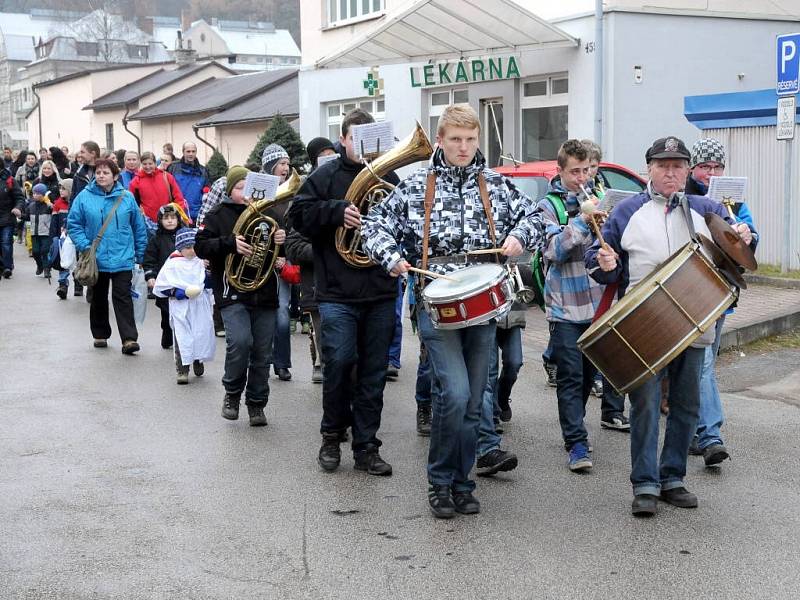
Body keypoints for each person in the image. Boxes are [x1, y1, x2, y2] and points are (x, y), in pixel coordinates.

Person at [361, 103, 544, 517]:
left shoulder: (494, 184)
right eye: (455, 139)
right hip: (437, 303)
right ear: (440, 141)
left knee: (475, 400)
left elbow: (538, 216)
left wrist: (519, 237)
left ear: (478, 141)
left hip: (483, 305)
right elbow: (374, 225)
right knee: (455, 393)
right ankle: (440, 482)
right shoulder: (415, 186)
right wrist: (391, 256)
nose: (463, 147)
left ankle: (463, 482)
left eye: (470, 140)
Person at [586, 136, 754, 517]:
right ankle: (645, 483)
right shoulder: (627, 211)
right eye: (663, 165)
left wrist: (745, 236)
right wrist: (604, 264)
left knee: (686, 404)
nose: (671, 172)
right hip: (643, 325)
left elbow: (740, 251)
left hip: (696, 322)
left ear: (686, 170)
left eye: (678, 166)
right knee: (644, 405)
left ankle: (673, 477)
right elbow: (597, 264)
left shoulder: (706, 209)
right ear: (649, 169)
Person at [289, 108, 398, 477]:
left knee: (373, 372)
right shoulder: (325, 175)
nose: (363, 145)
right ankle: (332, 436)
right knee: (339, 363)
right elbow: (298, 216)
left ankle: (367, 446)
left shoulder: (389, 176)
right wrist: (337, 212)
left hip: (380, 289)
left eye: (371, 137)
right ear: (345, 139)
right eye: (356, 138)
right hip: (336, 292)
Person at [538, 139, 611, 473]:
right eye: (575, 172)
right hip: (565, 306)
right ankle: (576, 443)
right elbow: (553, 250)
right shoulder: (548, 205)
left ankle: (576, 427)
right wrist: (584, 220)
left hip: (597, 305)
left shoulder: (600, 198)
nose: (582, 178)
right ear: (561, 171)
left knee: (587, 378)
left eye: (586, 170)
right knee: (569, 377)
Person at [685, 138, 758, 467]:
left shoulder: (733, 199)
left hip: (723, 290)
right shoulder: (684, 196)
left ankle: (694, 433)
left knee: (702, 366)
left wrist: (748, 235)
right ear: (694, 168)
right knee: (700, 367)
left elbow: (753, 235)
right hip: (690, 290)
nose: (711, 173)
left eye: (717, 167)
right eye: (705, 167)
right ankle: (710, 435)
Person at [195, 166, 286, 427]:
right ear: (229, 190)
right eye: (239, 187)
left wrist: (282, 239)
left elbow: (281, 252)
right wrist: (229, 243)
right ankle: (232, 394)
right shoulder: (217, 215)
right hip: (231, 291)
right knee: (241, 343)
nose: (245, 192)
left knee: (262, 352)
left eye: (249, 186)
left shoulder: (269, 213)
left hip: (264, 292)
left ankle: (257, 404)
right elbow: (201, 246)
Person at [67, 158, 148, 354]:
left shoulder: (127, 197)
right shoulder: (84, 197)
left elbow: (139, 227)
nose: (101, 176)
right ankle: (100, 333)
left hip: (123, 256)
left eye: (106, 172)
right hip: (96, 258)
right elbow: (74, 224)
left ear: (115, 176)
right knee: (99, 297)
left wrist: (140, 253)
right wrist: (85, 246)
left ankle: (129, 339)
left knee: (123, 297)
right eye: (98, 172)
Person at [154, 227, 215, 385]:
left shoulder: (201, 261)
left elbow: (209, 282)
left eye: (194, 247)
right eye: (188, 247)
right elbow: (163, 286)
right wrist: (179, 292)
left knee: (200, 334)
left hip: (199, 305)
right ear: (180, 247)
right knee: (182, 337)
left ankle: (198, 359)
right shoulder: (172, 263)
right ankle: (182, 368)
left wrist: (207, 275)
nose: (192, 251)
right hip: (181, 306)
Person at [260, 143, 294, 381]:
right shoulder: (260, 189)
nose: (286, 167)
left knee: (282, 313)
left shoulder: (293, 190)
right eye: (281, 163)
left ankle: (281, 362)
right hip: (261, 260)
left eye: (287, 163)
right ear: (271, 166)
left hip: (283, 260)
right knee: (262, 314)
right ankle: (263, 359)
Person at [144, 203, 189, 348]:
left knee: (184, 311)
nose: (170, 221)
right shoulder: (156, 240)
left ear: (178, 219)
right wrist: (150, 276)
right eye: (166, 218)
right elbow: (149, 259)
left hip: (183, 280)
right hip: (166, 282)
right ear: (160, 221)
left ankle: (183, 338)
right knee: (166, 312)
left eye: (172, 218)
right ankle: (167, 335)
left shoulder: (186, 237)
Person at [129, 151, 188, 230]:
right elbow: (132, 204)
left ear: (155, 163)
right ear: (141, 164)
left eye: (150, 164)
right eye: (145, 164)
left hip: (168, 221)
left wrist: (179, 215)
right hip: (148, 224)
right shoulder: (136, 182)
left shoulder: (167, 177)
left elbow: (178, 198)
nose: (147, 166)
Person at [168, 142, 209, 222]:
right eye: (188, 151)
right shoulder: (173, 168)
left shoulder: (203, 171)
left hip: (197, 215)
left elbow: (206, 192)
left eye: (193, 151)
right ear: (183, 152)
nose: (191, 154)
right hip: (177, 214)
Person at [0, 163, 25, 278]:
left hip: (7, 217)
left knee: (6, 243)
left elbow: (19, 197)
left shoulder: (10, 180)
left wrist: (17, 208)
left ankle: (7, 267)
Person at [26, 183, 53, 278]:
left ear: (44, 195)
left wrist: (48, 202)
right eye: (34, 193)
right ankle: (40, 265)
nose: (35, 195)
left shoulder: (47, 205)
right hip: (34, 232)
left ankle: (47, 269)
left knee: (45, 251)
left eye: (38, 194)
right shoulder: (31, 206)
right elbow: (27, 216)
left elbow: (53, 210)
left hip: (45, 232)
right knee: (35, 252)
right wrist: (20, 215)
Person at [51, 178, 73, 298]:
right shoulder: (58, 204)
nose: (60, 191)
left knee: (77, 263)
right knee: (63, 262)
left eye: (63, 188)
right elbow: (54, 223)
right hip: (63, 239)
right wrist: (53, 238)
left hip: (75, 238)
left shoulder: (76, 203)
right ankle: (63, 285)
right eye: (60, 188)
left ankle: (79, 286)